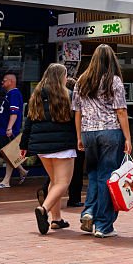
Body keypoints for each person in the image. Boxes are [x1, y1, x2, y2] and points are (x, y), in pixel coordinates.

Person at [73, 44, 132, 238]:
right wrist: (128, 138)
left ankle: (88, 211)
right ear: (111, 60)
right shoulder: (114, 81)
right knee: (107, 176)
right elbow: (121, 111)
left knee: (93, 174)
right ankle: (103, 225)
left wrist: (79, 136)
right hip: (110, 132)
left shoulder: (81, 81)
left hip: (88, 132)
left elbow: (78, 112)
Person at [20, 63, 78, 234]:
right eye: (65, 75)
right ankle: (43, 209)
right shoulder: (68, 95)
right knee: (63, 183)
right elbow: (76, 120)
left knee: (54, 181)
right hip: (63, 145)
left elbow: (29, 122)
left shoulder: (36, 95)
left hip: (42, 147)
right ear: (61, 77)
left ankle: (56, 219)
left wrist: (24, 145)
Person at [37, 77, 85, 208]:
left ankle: (47, 193)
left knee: (55, 175)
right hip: (71, 140)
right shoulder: (72, 101)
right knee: (71, 174)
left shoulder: (50, 100)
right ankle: (72, 199)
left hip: (49, 143)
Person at [0, 72, 29, 188]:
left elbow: (14, 113)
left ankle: (6, 180)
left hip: (8, 130)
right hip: (4, 129)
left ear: (11, 81)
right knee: (7, 153)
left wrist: (9, 128)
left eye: (4, 81)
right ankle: (22, 171)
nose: (2, 83)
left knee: (8, 154)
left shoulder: (14, 94)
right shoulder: (10, 94)